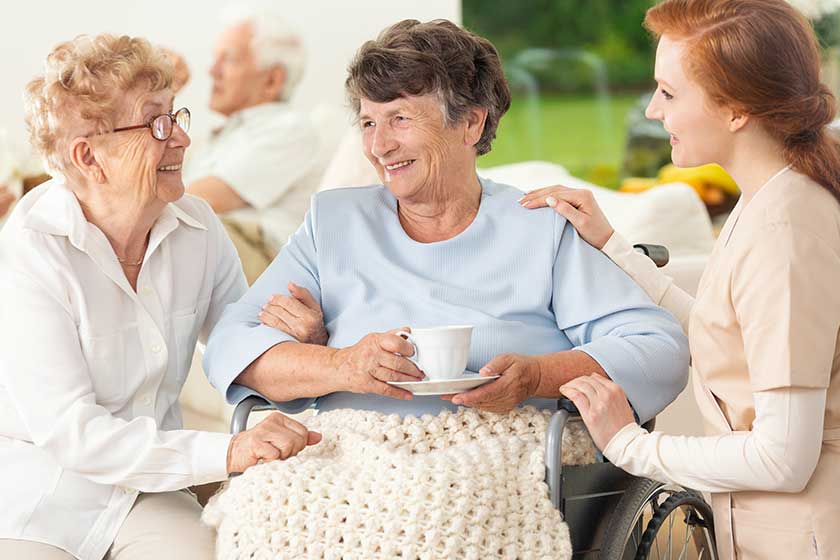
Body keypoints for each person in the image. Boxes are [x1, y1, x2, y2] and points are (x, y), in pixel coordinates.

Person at [204, 19, 689, 425]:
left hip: (494, 460)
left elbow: (658, 349)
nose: (378, 147)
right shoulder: (333, 221)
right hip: (349, 462)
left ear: (471, 123)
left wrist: (538, 376)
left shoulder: (540, 227)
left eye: (399, 119)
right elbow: (230, 342)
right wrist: (339, 365)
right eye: (369, 123)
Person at [519, 1, 840, 557]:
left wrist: (631, 445)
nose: (650, 110)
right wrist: (611, 244)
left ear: (736, 109)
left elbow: (784, 458)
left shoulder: (784, 234)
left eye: (668, 93)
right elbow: (727, 334)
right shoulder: (770, 199)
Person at [0, 34, 320, 560]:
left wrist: (300, 339)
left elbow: (239, 347)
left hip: (146, 493)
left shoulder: (197, 228)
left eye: (176, 116)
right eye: (155, 123)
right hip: (38, 490)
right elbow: (73, 434)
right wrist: (230, 451)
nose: (181, 141)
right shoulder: (31, 251)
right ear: (88, 156)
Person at [181, 5, 321, 283]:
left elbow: (198, 201)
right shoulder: (222, 134)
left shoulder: (288, 129)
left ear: (272, 79)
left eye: (229, 60)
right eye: (215, 59)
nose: (212, 71)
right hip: (217, 240)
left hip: (255, 252)